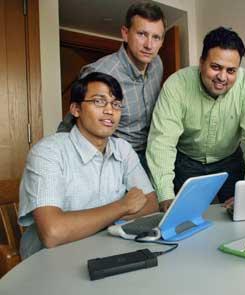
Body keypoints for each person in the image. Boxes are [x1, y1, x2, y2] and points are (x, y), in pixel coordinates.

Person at [18, 72, 159, 259]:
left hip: (106, 250)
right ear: (76, 109)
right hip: (49, 260)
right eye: (99, 101)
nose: (110, 110)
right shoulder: (48, 152)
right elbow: (53, 232)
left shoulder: (122, 148)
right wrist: (122, 207)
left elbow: (151, 204)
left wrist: (88, 223)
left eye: (116, 104)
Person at [146, 27, 245, 211]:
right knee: (180, 218)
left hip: (230, 161)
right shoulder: (176, 85)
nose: (222, 77)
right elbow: (162, 142)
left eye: (231, 70)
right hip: (186, 162)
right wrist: (165, 195)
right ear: (202, 62)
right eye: (216, 67)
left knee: (239, 215)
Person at [58, 2, 165, 171]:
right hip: (114, 157)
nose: (149, 45)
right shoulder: (100, 72)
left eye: (156, 37)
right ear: (125, 33)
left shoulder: (157, 64)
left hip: (151, 153)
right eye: (142, 34)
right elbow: (70, 123)